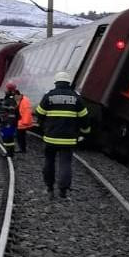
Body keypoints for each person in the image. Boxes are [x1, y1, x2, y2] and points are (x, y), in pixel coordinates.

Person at [35, 71, 90, 199]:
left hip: (51, 138)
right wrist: (85, 132)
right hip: (68, 139)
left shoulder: (49, 96)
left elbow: (39, 114)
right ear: (68, 83)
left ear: (56, 82)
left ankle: (49, 188)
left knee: (49, 161)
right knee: (65, 163)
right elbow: (85, 117)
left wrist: (44, 126)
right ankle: (63, 191)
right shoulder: (76, 97)